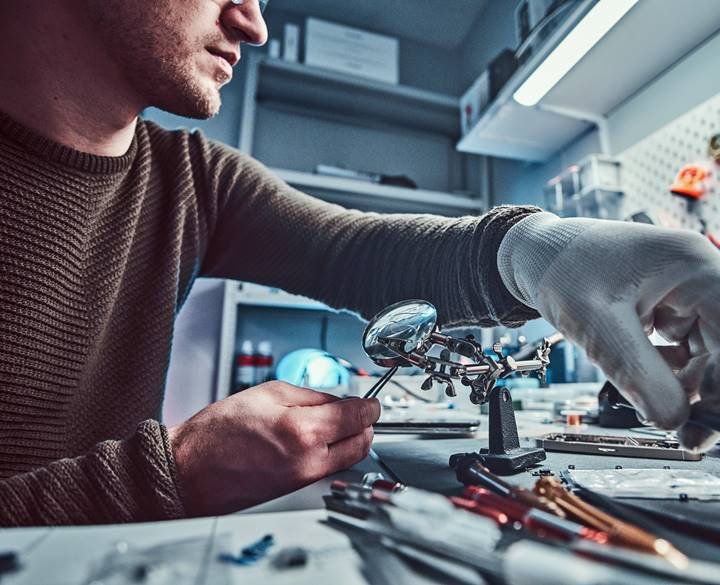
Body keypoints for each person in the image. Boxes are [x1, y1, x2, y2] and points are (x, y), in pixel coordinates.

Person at [0, 0, 717, 527]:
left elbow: (355, 250)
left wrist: (533, 250)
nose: (253, 24)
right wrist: (164, 475)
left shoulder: (192, 178)